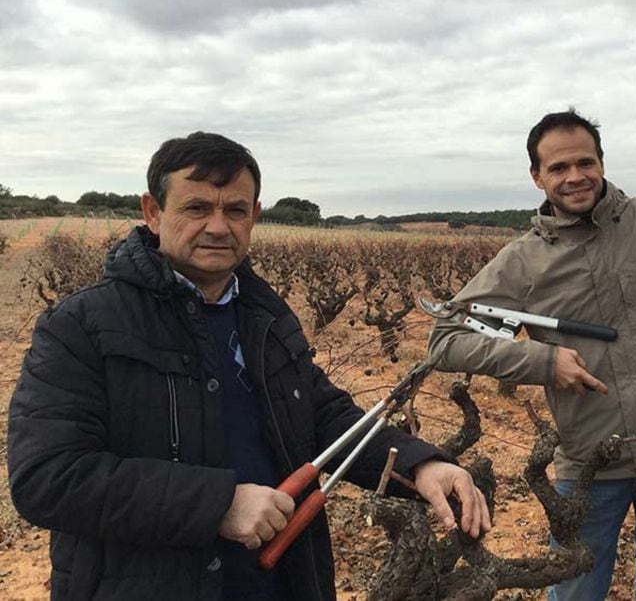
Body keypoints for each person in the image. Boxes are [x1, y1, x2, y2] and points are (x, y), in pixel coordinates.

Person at [7, 132, 491, 601]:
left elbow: (320, 413)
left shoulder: (265, 315)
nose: (218, 226)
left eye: (235, 210)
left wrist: (419, 463)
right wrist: (218, 505)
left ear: (255, 216)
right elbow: (49, 476)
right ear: (153, 213)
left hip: (281, 579)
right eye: (196, 207)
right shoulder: (80, 325)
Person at [428, 109, 636, 600]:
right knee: (574, 587)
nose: (574, 177)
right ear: (536, 176)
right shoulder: (523, 261)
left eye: (585, 163)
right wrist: (543, 362)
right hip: (589, 461)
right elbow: (446, 338)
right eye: (558, 168)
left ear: (602, 164)